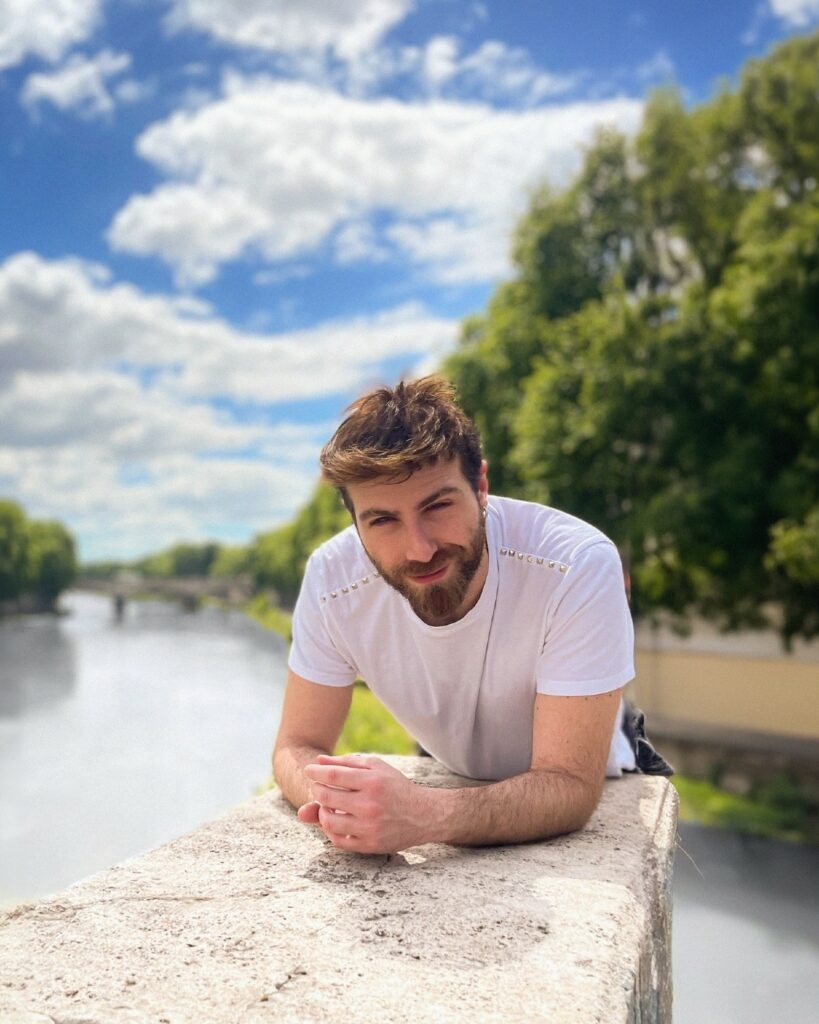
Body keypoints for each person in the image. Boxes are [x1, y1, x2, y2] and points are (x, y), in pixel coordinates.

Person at [273, 375, 669, 855]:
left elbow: (570, 784)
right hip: (451, 765)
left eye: (438, 506)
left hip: (604, 771)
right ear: (353, 519)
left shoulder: (575, 564)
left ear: (481, 486)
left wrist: (422, 814)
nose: (419, 550)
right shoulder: (331, 581)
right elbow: (296, 745)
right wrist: (337, 802)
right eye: (383, 520)